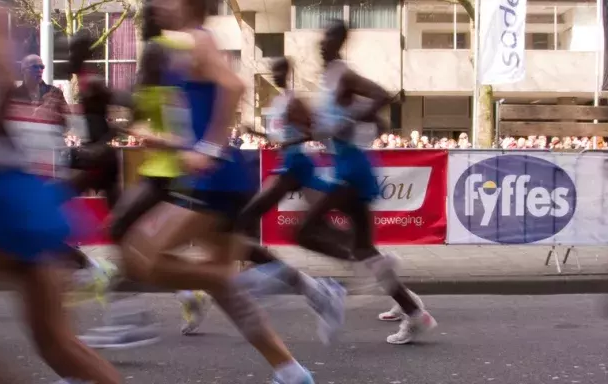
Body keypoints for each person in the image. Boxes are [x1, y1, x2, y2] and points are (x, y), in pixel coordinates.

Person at [117, 0, 315, 382]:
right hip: (223, 179)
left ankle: (240, 281)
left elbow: (234, 84)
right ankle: (291, 371)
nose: (159, 4)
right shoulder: (188, 44)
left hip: (213, 181)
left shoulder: (197, 40)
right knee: (227, 294)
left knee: (139, 255)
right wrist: (161, 139)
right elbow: (195, 123)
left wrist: (207, 148)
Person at [0, 1, 120, 382]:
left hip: (3, 198)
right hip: (12, 195)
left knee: (56, 341)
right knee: (56, 342)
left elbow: (1, 78)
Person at [293, 19, 435, 345]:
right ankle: (414, 312)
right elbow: (353, 120)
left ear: (340, 41)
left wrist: (349, 120)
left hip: (350, 169)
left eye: (328, 37)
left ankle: (358, 271)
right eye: (321, 36)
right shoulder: (329, 78)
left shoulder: (343, 73)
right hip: (346, 164)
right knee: (364, 248)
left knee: (303, 231)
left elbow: (381, 96)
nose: (321, 42)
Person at [230, 56, 347, 343]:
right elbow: (279, 136)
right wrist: (255, 132)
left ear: (288, 72)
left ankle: (271, 276)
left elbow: (313, 131)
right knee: (309, 228)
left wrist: (291, 142)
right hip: (289, 165)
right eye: (274, 71)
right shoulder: (280, 102)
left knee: (247, 216)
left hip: (297, 165)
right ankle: (339, 273)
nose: (277, 74)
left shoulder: (294, 101)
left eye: (281, 70)